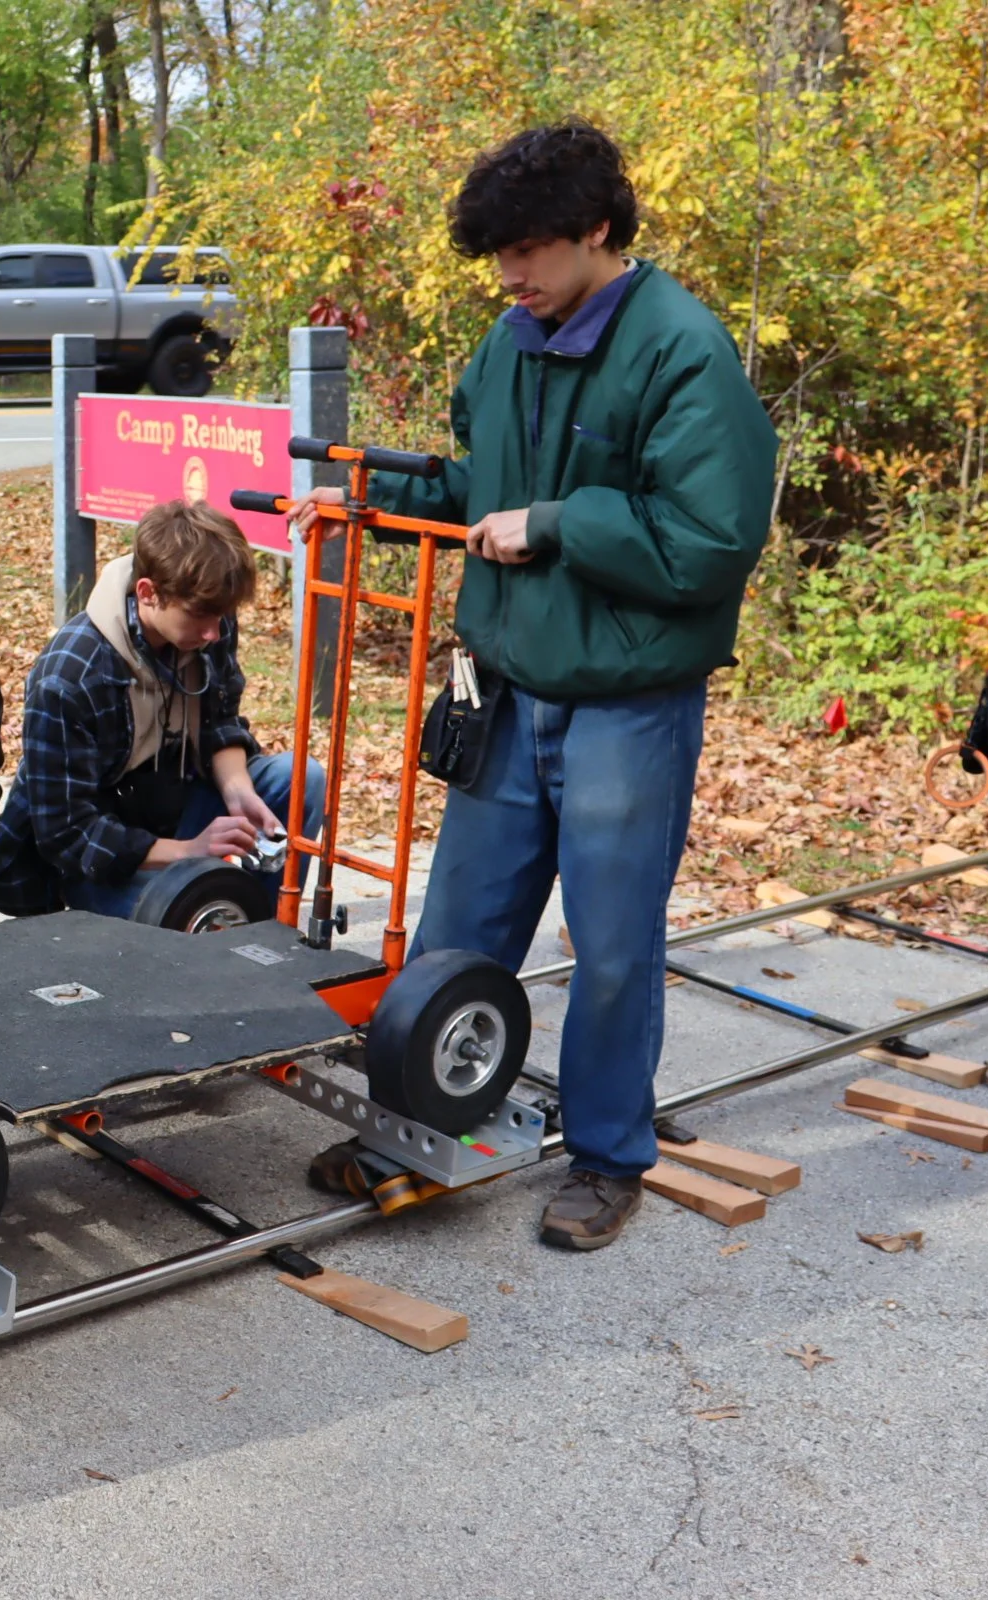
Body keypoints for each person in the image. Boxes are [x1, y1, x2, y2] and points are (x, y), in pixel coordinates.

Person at [290, 120, 776, 1251]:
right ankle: (410, 1124)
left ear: (598, 231)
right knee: (459, 924)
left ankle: (608, 1156)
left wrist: (555, 527)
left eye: (530, 251)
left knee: (612, 947)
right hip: (509, 687)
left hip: (628, 701)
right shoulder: (511, 342)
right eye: (499, 254)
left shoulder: (681, 348)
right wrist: (409, 495)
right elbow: (488, 482)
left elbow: (713, 539)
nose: (511, 275)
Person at [0, 498, 321, 920]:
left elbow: (220, 718)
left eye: (222, 616)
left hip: (176, 805)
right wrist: (188, 853)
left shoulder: (207, 622)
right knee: (179, 922)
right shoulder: (70, 677)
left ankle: (256, 924)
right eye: (201, 616)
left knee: (301, 777)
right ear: (148, 593)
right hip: (100, 858)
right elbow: (67, 835)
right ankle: (211, 920)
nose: (214, 632)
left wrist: (239, 791)